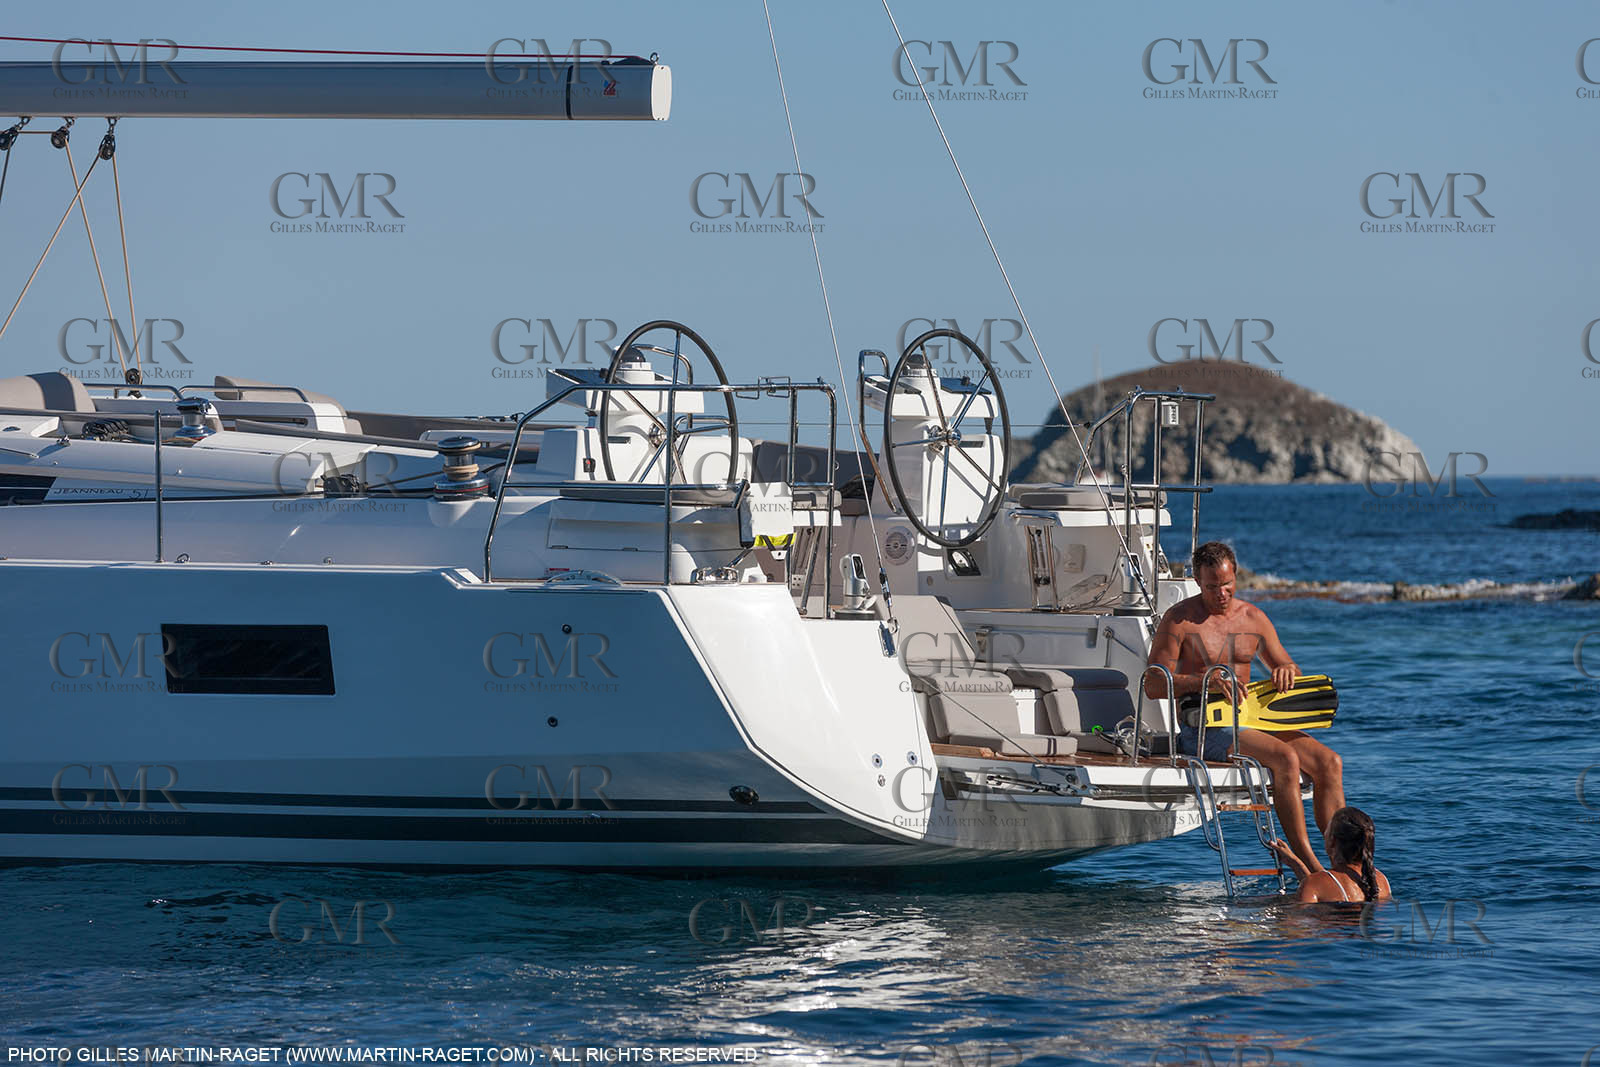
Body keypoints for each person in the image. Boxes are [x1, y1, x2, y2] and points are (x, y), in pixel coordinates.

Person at [1145, 540, 1346, 873]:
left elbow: (1288, 665)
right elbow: (1153, 684)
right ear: (1197, 580)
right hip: (1205, 728)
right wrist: (1202, 681)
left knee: (1330, 763)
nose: (1221, 593)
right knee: (1286, 758)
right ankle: (1310, 867)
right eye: (1212, 587)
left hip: (1253, 720)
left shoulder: (1254, 618)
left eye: (1227, 584)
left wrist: (1286, 671)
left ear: (1235, 576)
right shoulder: (1180, 621)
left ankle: (1341, 859)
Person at [1270, 806, 1391, 903]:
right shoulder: (1382, 880)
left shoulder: (1314, 884)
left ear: (1332, 841)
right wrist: (1295, 864)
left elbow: (1303, 923)